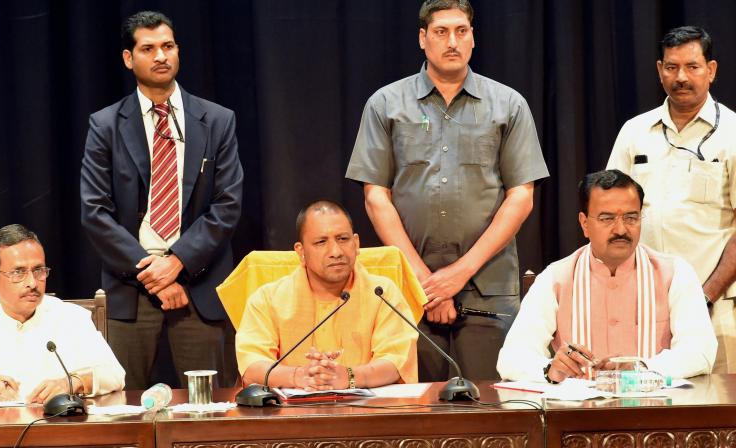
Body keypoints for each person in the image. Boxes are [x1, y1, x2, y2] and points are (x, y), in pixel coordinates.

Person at [345, 0, 549, 380]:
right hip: (408, 287)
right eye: (441, 32)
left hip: (488, 287)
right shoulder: (385, 104)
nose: (452, 41)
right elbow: (375, 196)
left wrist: (457, 274)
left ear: (473, 39)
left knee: (493, 410)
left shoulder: (508, 104)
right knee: (414, 418)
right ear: (423, 39)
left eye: (462, 31)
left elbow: (521, 196)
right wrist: (425, 281)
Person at [80, 11, 243, 389]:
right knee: (121, 405)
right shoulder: (105, 125)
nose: (160, 56)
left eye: (167, 46)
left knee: (209, 411)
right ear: (128, 58)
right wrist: (155, 272)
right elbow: (95, 212)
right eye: (148, 48)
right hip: (132, 287)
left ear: (178, 51)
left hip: (197, 285)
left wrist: (178, 262)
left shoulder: (217, 120)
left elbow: (227, 204)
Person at [497, 170, 716, 382]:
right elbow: (512, 359)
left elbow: (700, 352)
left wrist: (643, 368)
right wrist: (549, 370)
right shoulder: (556, 278)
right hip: (579, 413)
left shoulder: (675, 273)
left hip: (655, 410)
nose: (621, 229)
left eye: (631, 217)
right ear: (584, 224)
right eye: (607, 218)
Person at [607, 26, 736, 373]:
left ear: (711, 70)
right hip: (642, 306)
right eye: (671, 67)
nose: (681, 77)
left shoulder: (732, 134)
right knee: (643, 410)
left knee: (719, 411)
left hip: (717, 307)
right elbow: (607, 212)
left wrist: (703, 296)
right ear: (659, 70)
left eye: (692, 67)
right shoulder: (634, 132)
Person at [236, 201, 419, 390]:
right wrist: (300, 376)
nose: (336, 252)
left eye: (343, 239)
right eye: (321, 242)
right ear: (301, 252)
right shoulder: (268, 299)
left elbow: (396, 361)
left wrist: (348, 377)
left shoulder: (381, 293)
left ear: (356, 243)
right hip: (290, 416)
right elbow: (252, 366)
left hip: (368, 414)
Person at [0, 224, 125, 402]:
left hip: (56, 430)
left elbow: (114, 373)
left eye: (38, 271)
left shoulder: (71, 318)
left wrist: (72, 382)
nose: (33, 283)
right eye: (18, 272)